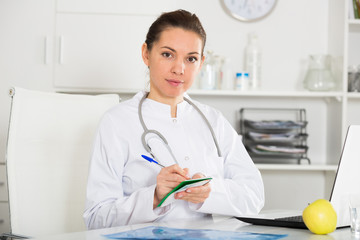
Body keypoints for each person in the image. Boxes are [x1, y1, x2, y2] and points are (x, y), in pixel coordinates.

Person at [83, 9, 264, 229]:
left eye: (191, 58)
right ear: (146, 54)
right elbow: (95, 219)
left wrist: (210, 191)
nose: (179, 69)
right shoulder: (116, 122)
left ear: (201, 63)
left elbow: (254, 196)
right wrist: (155, 196)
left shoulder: (214, 121)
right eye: (168, 54)